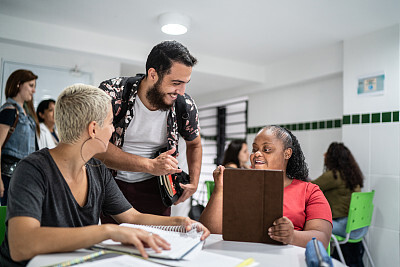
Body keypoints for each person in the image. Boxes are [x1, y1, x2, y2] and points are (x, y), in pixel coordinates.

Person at [0, 84, 209, 266]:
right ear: (93, 129)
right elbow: (21, 245)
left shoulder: (97, 170)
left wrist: (181, 222)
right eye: (110, 123)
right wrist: (107, 231)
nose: (112, 131)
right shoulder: (32, 169)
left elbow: (132, 217)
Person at [97, 40, 202, 218]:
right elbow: (96, 146)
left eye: (185, 83)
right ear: (153, 74)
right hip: (109, 183)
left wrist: (194, 180)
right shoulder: (112, 94)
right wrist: (150, 165)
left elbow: (195, 145)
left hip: (157, 189)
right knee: (112, 242)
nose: (182, 91)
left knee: (155, 242)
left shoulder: (185, 106)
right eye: (176, 82)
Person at [200, 125, 332, 248]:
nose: (257, 154)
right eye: (254, 149)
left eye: (267, 149)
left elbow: (322, 239)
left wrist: (292, 236)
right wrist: (219, 190)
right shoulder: (238, 187)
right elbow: (209, 232)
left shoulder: (310, 192)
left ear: (287, 153)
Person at [0, 69, 40, 206]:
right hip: (8, 175)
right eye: (31, 85)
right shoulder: (9, 111)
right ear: (18, 84)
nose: (34, 90)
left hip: (24, 175)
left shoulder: (27, 115)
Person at [311, 142, 367, 239]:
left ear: (332, 158)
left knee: (309, 223)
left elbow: (309, 188)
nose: (324, 155)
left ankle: (316, 254)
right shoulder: (353, 175)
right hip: (360, 227)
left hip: (345, 227)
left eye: (326, 154)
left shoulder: (334, 175)